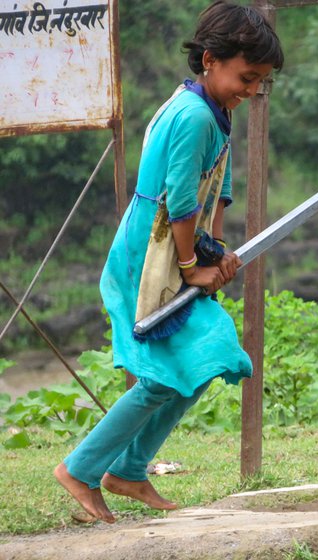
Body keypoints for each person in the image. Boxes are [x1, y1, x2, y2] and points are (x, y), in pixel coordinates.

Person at [54, 1, 284, 524]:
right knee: (163, 374)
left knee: (208, 357)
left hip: (178, 246)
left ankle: (129, 471)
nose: (250, 91)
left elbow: (216, 193)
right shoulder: (194, 116)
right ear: (210, 60)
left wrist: (217, 254)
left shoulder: (214, 111)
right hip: (150, 253)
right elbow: (179, 201)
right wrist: (191, 265)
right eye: (246, 78)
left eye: (258, 83)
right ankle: (81, 469)